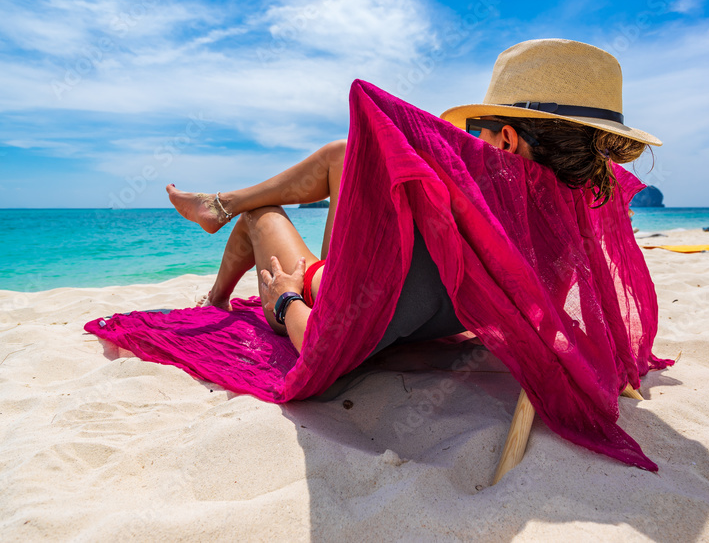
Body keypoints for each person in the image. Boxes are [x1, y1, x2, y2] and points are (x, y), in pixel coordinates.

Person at [167, 39, 662, 354]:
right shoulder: (563, 222)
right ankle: (218, 219)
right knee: (343, 155)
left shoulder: (466, 214)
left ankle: (218, 258)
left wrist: (284, 301)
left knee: (261, 217)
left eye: (482, 130)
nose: (476, 143)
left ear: (507, 139)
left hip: (342, 307)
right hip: (433, 321)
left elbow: (326, 347)